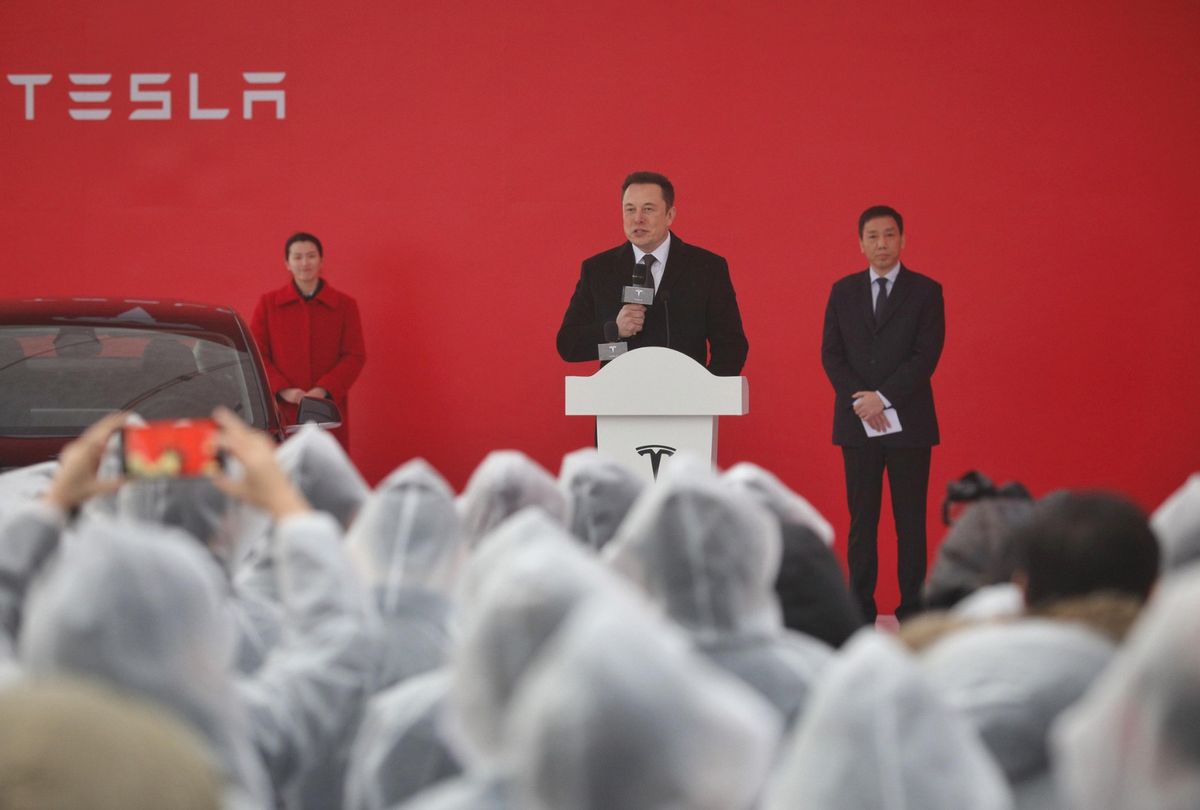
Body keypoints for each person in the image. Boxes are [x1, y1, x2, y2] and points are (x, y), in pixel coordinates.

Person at [821, 205, 945, 622]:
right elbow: (832, 355)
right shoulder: (842, 291)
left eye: (889, 235)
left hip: (909, 426)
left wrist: (884, 397)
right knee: (862, 526)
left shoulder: (927, 292)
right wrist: (863, 401)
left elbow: (925, 356)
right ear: (860, 244)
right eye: (872, 236)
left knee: (911, 525)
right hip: (858, 426)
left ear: (903, 240)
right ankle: (859, 614)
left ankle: (914, 614)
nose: (881, 244)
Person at [556, 172, 749, 376]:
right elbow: (569, 345)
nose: (638, 219)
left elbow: (731, 344)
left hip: (687, 400)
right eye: (630, 209)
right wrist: (613, 329)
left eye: (648, 209)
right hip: (619, 399)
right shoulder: (598, 270)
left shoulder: (706, 267)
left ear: (670, 215)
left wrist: (707, 392)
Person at [251, 232, 366, 450]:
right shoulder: (268, 304)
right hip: (282, 409)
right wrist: (284, 390)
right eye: (297, 257)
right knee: (285, 472)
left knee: (327, 471)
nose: (305, 263)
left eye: (311, 256)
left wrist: (323, 389)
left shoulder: (345, 305)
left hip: (327, 408)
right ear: (287, 263)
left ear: (321, 261)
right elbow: (257, 354)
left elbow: (355, 355)